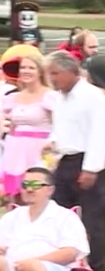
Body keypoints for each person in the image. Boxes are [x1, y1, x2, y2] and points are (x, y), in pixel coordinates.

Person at [46, 51, 105, 271]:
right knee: (61, 214)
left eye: (55, 73)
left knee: (93, 217)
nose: (52, 78)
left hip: (87, 161)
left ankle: (96, 269)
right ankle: (65, 263)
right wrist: (52, 144)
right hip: (64, 160)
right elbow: (62, 129)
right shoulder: (60, 99)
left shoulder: (93, 97)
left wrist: (91, 168)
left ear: (70, 71)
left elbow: (101, 134)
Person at [0, 166, 90, 271]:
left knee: (30, 266)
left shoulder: (65, 217)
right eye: (25, 185)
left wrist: (31, 261)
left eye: (36, 185)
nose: (29, 189)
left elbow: (70, 253)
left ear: (50, 190)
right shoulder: (11, 218)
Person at [1, 50, 54, 198]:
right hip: (15, 151)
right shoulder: (11, 98)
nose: (26, 71)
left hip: (39, 150)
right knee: (16, 195)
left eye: (31, 68)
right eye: (23, 68)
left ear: (40, 72)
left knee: (38, 192)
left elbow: (60, 125)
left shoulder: (50, 96)